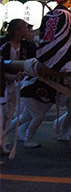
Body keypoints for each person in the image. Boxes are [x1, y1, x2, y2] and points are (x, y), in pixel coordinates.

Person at [1, 19, 37, 148]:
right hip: (3, 81)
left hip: (19, 81)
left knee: (10, 113)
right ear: (17, 30)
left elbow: (33, 62)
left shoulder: (29, 46)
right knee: (2, 113)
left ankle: (3, 143)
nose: (27, 31)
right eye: (25, 28)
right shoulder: (3, 44)